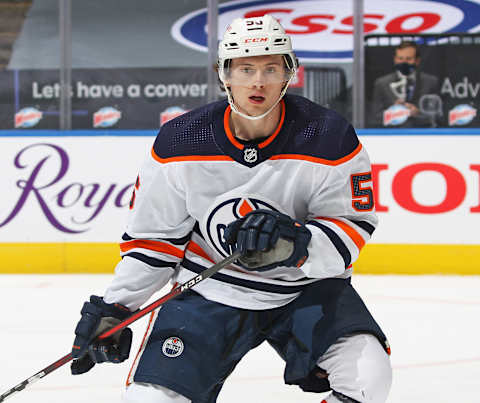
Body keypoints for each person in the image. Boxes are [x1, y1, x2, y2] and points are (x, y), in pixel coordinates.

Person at [70, 15, 392, 403]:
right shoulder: (179, 141)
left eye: (271, 68)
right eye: (245, 68)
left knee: (368, 380)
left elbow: (351, 226)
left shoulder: (327, 136)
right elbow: (155, 241)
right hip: (209, 291)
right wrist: (117, 306)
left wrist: (296, 244)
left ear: (290, 72)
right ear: (224, 74)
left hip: (305, 290)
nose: (258, 81)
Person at [370, 40, 440, 127]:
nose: (404, 62)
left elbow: (437, 116)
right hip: (391, 136)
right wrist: (393, 113)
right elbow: (375, 117)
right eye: (400, 58)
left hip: (422, 134)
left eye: (408, 59)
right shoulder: (382, 83)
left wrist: (417, 113)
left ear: (417, 60)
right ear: (395, 59)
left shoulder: (430, 82)